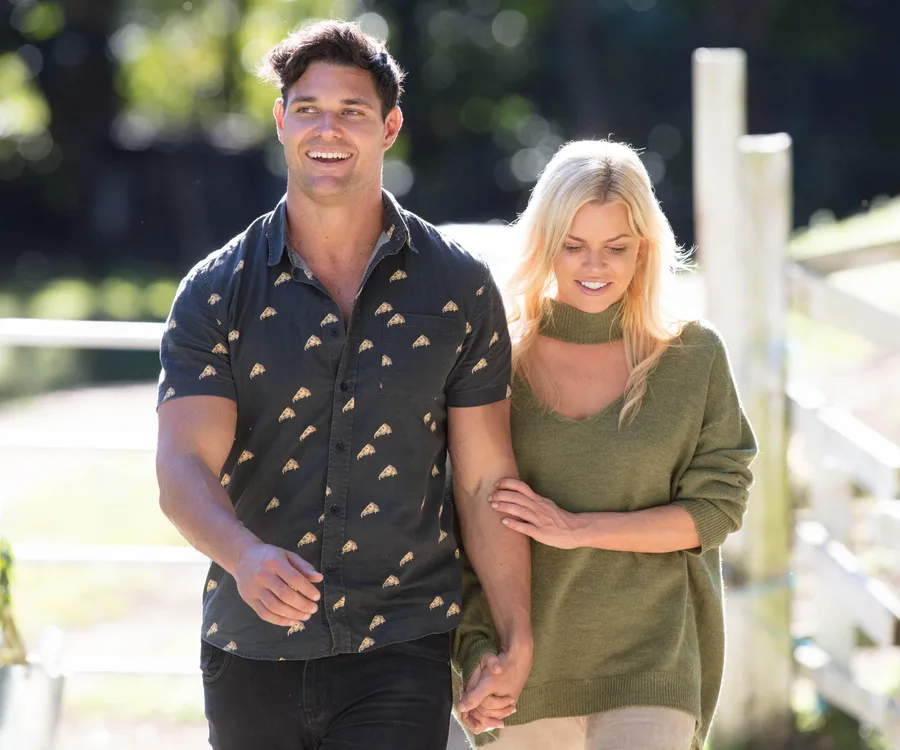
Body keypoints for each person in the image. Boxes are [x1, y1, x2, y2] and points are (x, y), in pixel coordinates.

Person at [155, 20, 532, 750]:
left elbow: (486, 480)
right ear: (281, 121)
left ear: (389, 126)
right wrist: (244, 554)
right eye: (308, 108)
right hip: (251, 642)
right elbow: (182, 465)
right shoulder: (215, 291)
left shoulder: (458, 287)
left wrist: (514, 636)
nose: (327, 129)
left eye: (352, 111)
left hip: (404, 639)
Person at [454, 139, 758, 750]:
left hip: (655, 667)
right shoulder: (492, 361)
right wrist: (478, 650)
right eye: (574, 246)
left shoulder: (693, 357)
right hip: (526, 675)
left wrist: (576, 527)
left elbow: (714, 511)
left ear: (645, 247)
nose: (595, 266)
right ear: (544, 242)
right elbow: (461, 520)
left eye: (616, 248)